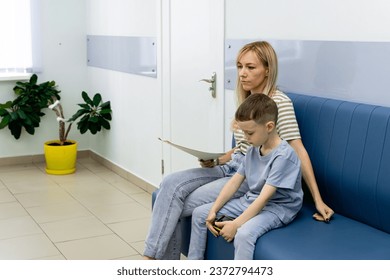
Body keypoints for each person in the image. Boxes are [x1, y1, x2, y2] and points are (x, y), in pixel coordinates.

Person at [143, 41, 333, 260]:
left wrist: (317, 199)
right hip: (232, 167)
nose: (242, 74)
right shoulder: (249, 100)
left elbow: (298, 149)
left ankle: (152, 261)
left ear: (268, 70)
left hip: (247, 176)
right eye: (239, 66)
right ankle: (156, 260)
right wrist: (217, 159)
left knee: (173, 203)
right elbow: (245, 147)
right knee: (169, 184)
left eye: (250, 68)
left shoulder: (278, 103)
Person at [188, 93, 303, 260]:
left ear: (269, 127)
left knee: (243, 234)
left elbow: (264, 199)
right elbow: (234, 182)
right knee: (200, 213)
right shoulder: (253, 149)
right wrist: (213, 210)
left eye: (249, 133)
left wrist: (236, 224)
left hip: (278, 208)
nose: (245, 138)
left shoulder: (284, 156)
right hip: (251, 199)